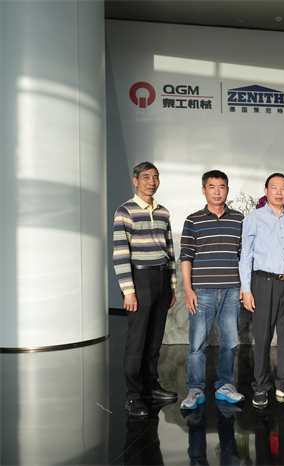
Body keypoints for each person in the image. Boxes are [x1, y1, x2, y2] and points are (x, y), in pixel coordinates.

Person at [113, 161, 177, 417]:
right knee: (138, 339)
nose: (152, 182)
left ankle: (151, 386)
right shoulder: (125, 211)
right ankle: (134, 395)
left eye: (155, 177)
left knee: (155, 338)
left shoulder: (163, 212)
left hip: (162, 278)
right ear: (136, 180)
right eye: (146, 177)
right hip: (139, 279)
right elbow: (120, 254)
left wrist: (172, 286)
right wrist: (128, 291)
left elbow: (170, 250)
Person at [179, 170, 245, 409]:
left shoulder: (239, 219)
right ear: (204, 190)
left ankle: (225, 386)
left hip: (231, 291)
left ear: (227, 190)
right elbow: (186, 257)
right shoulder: (193, 220)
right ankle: (196, 389)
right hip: (202, 292)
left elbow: (244, 256)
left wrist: (244, 286)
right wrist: (188, 290)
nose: (217, 192)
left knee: (231, 341)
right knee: (197, 343)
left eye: (222, 187)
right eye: (212, 187)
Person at [240, 173, 284, 408]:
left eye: (283, 188)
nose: (279, 192)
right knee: (263, 336)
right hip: (264, 283)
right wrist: (246, 290)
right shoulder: (254, 218)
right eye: (274, 188)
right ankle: (260, 386)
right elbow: (245, 256)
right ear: (266, 191)